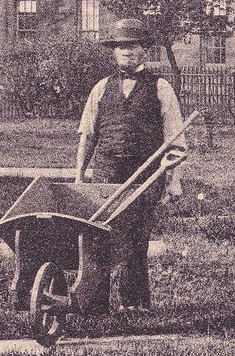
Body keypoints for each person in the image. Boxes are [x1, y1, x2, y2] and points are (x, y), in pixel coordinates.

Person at [73, 17, 188, 311]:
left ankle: (134, 304)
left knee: (136, 238)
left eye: (134, 46)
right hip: (107, 173)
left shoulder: (161, 87)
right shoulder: (101, 88)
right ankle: (93, 304)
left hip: (145, 175)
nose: (128, 52)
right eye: (122, 47)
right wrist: (79, 175)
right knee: (99, 236)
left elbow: (175, 139)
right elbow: (87, 135)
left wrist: (173, 180)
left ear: (144, 51)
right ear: (114, 51)